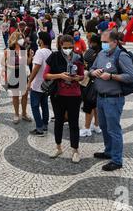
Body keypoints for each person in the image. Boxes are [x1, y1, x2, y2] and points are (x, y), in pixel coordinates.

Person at [90, 30, 133, 171]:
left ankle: (117, 160)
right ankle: (108, 151)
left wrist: (111, 76)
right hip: (101, 97)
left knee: (113, 129)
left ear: (115, 42)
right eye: (102, 42)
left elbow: (131, 76)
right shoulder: (101, 54)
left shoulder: (121, 55)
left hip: (113, 99)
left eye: (106, 42)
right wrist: (94, 72)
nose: (103, 45)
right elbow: (91, 68)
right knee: (104, 127)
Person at [44, 34, 84, 163]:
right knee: (59, 121)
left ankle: (75, 150)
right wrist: (60, 75)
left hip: (74, 95)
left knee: (74, 122)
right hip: (58, 95)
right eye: (65, 47)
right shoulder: (54, 57)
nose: (68, 49)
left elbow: (83, 76)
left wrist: (76, 78)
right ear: (61, 45)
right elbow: (46, 75)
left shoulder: (78, 57)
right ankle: (58, 147)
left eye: (70, 47)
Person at [27, 32, 52, 136]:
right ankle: (45, 125)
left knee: (35, 106)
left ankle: (39, 128)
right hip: (46, 84)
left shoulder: (40, 52)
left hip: (37, 84)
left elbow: (36, 68)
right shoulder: (50, 52)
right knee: (45, 105)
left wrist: (29, 82)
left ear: (41, 40)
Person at [3, 32, 31, 124]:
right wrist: (12, 67)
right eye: (20, 38)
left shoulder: (24, 49)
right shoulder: (8, 50)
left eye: (22, 37)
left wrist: (30, 56)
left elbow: (26, 62)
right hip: (13, 74)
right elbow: (3, 63)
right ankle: (16, 114)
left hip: (22, 73)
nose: (22, 39)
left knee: (24, 95)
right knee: (15, 95)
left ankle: (24, 113)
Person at [80, 34, 102, 137]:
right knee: (95, 105)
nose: (89, 43)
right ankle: (96, 125)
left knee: (88, 104)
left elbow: (85, 60)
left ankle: (87, 128)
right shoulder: (103, 53)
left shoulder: (91, 52)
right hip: (100, 82)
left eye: (91, 42)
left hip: (90, 82)